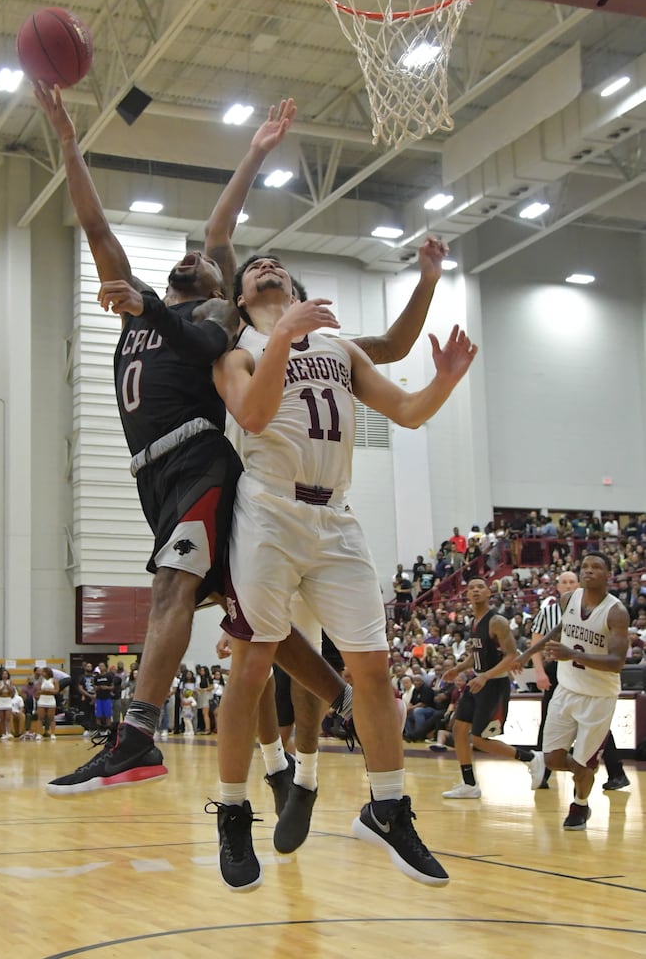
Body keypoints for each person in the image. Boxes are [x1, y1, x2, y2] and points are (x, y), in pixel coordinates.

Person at [38, 85, 355, 796]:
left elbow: (219, 232)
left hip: (199, 460)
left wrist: (250, 156)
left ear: (228, 289)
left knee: (169, 591)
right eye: (192, 259)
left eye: (211, 262)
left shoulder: (218, 318)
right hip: (152, 478)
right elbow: (93, 226)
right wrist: (66, 141)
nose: (196, 258)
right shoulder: (133, 306)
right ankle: (353, 705)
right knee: (251, 621)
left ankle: (137, 736)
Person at [208, 251, 477, 891]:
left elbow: (408, 411)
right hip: (270, 510)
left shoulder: (339, 347)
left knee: (373, 668)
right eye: (254, 268)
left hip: (337, 519)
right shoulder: (236, 352)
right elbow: (252, 415)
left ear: (294, 287)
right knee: (251, 664)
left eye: (276, 263)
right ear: (243, 299)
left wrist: (443, 381)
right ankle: (233, 809)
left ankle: (386, 808)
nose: (266, 266)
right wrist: (280, 335)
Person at [516, 552, 630, 829]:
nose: (588, 571)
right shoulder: (569, 599)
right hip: (566, 689)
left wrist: (572, 655)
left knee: (582, 764)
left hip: (598, 696)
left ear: (608, 575)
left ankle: (580, 804)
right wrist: (528, 653)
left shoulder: (616, 612)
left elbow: (616, 663)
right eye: (584, 567)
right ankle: (585, 769)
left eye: (596, 567)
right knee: (553, 759)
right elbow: (559, 629)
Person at [440, 578, 545, 800]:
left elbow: (512, 655)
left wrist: (486, 676)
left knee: (478, 739)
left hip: (494, 683)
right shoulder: (474, 621)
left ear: (489, 592)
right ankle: (469, 784)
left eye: (480, 587)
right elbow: (476, 655)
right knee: (458, 731)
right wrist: (457, 669)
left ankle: (531, 758)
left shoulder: (497, 621)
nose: (475, 590)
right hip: (478, 681)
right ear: (466, 595)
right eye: (471, 587)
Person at [35, 667, 59, 741]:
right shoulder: (40, 681)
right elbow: (38, 691)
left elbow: (56, 691)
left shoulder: (54, 680)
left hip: (51, 700)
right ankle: (39, 734)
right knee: (40, 718)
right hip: (42, 699)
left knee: (51, 718)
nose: (42, 673)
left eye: (44, 672)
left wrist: (47, 690)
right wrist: (47, 691)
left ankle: (53, 734)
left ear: (48, 672)